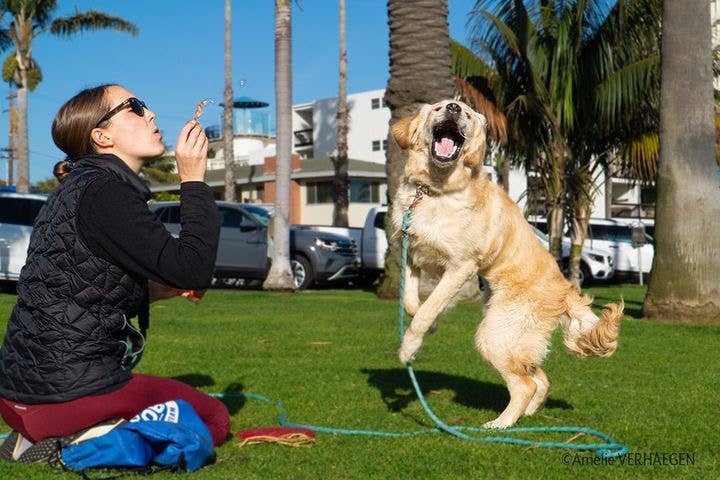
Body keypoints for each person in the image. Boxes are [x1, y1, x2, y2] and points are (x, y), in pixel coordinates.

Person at [0, 84, 229, 461]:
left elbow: (80, 291)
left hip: (17, 396)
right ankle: (81, 441)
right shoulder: (107, 192)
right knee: (213, 418)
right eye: (135, 107)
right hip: (65, 396)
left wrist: (157, 290)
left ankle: (35, 436)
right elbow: (193, 269)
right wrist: (193, 178)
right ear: (102, 136)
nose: (151, 114)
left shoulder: (74, 190)